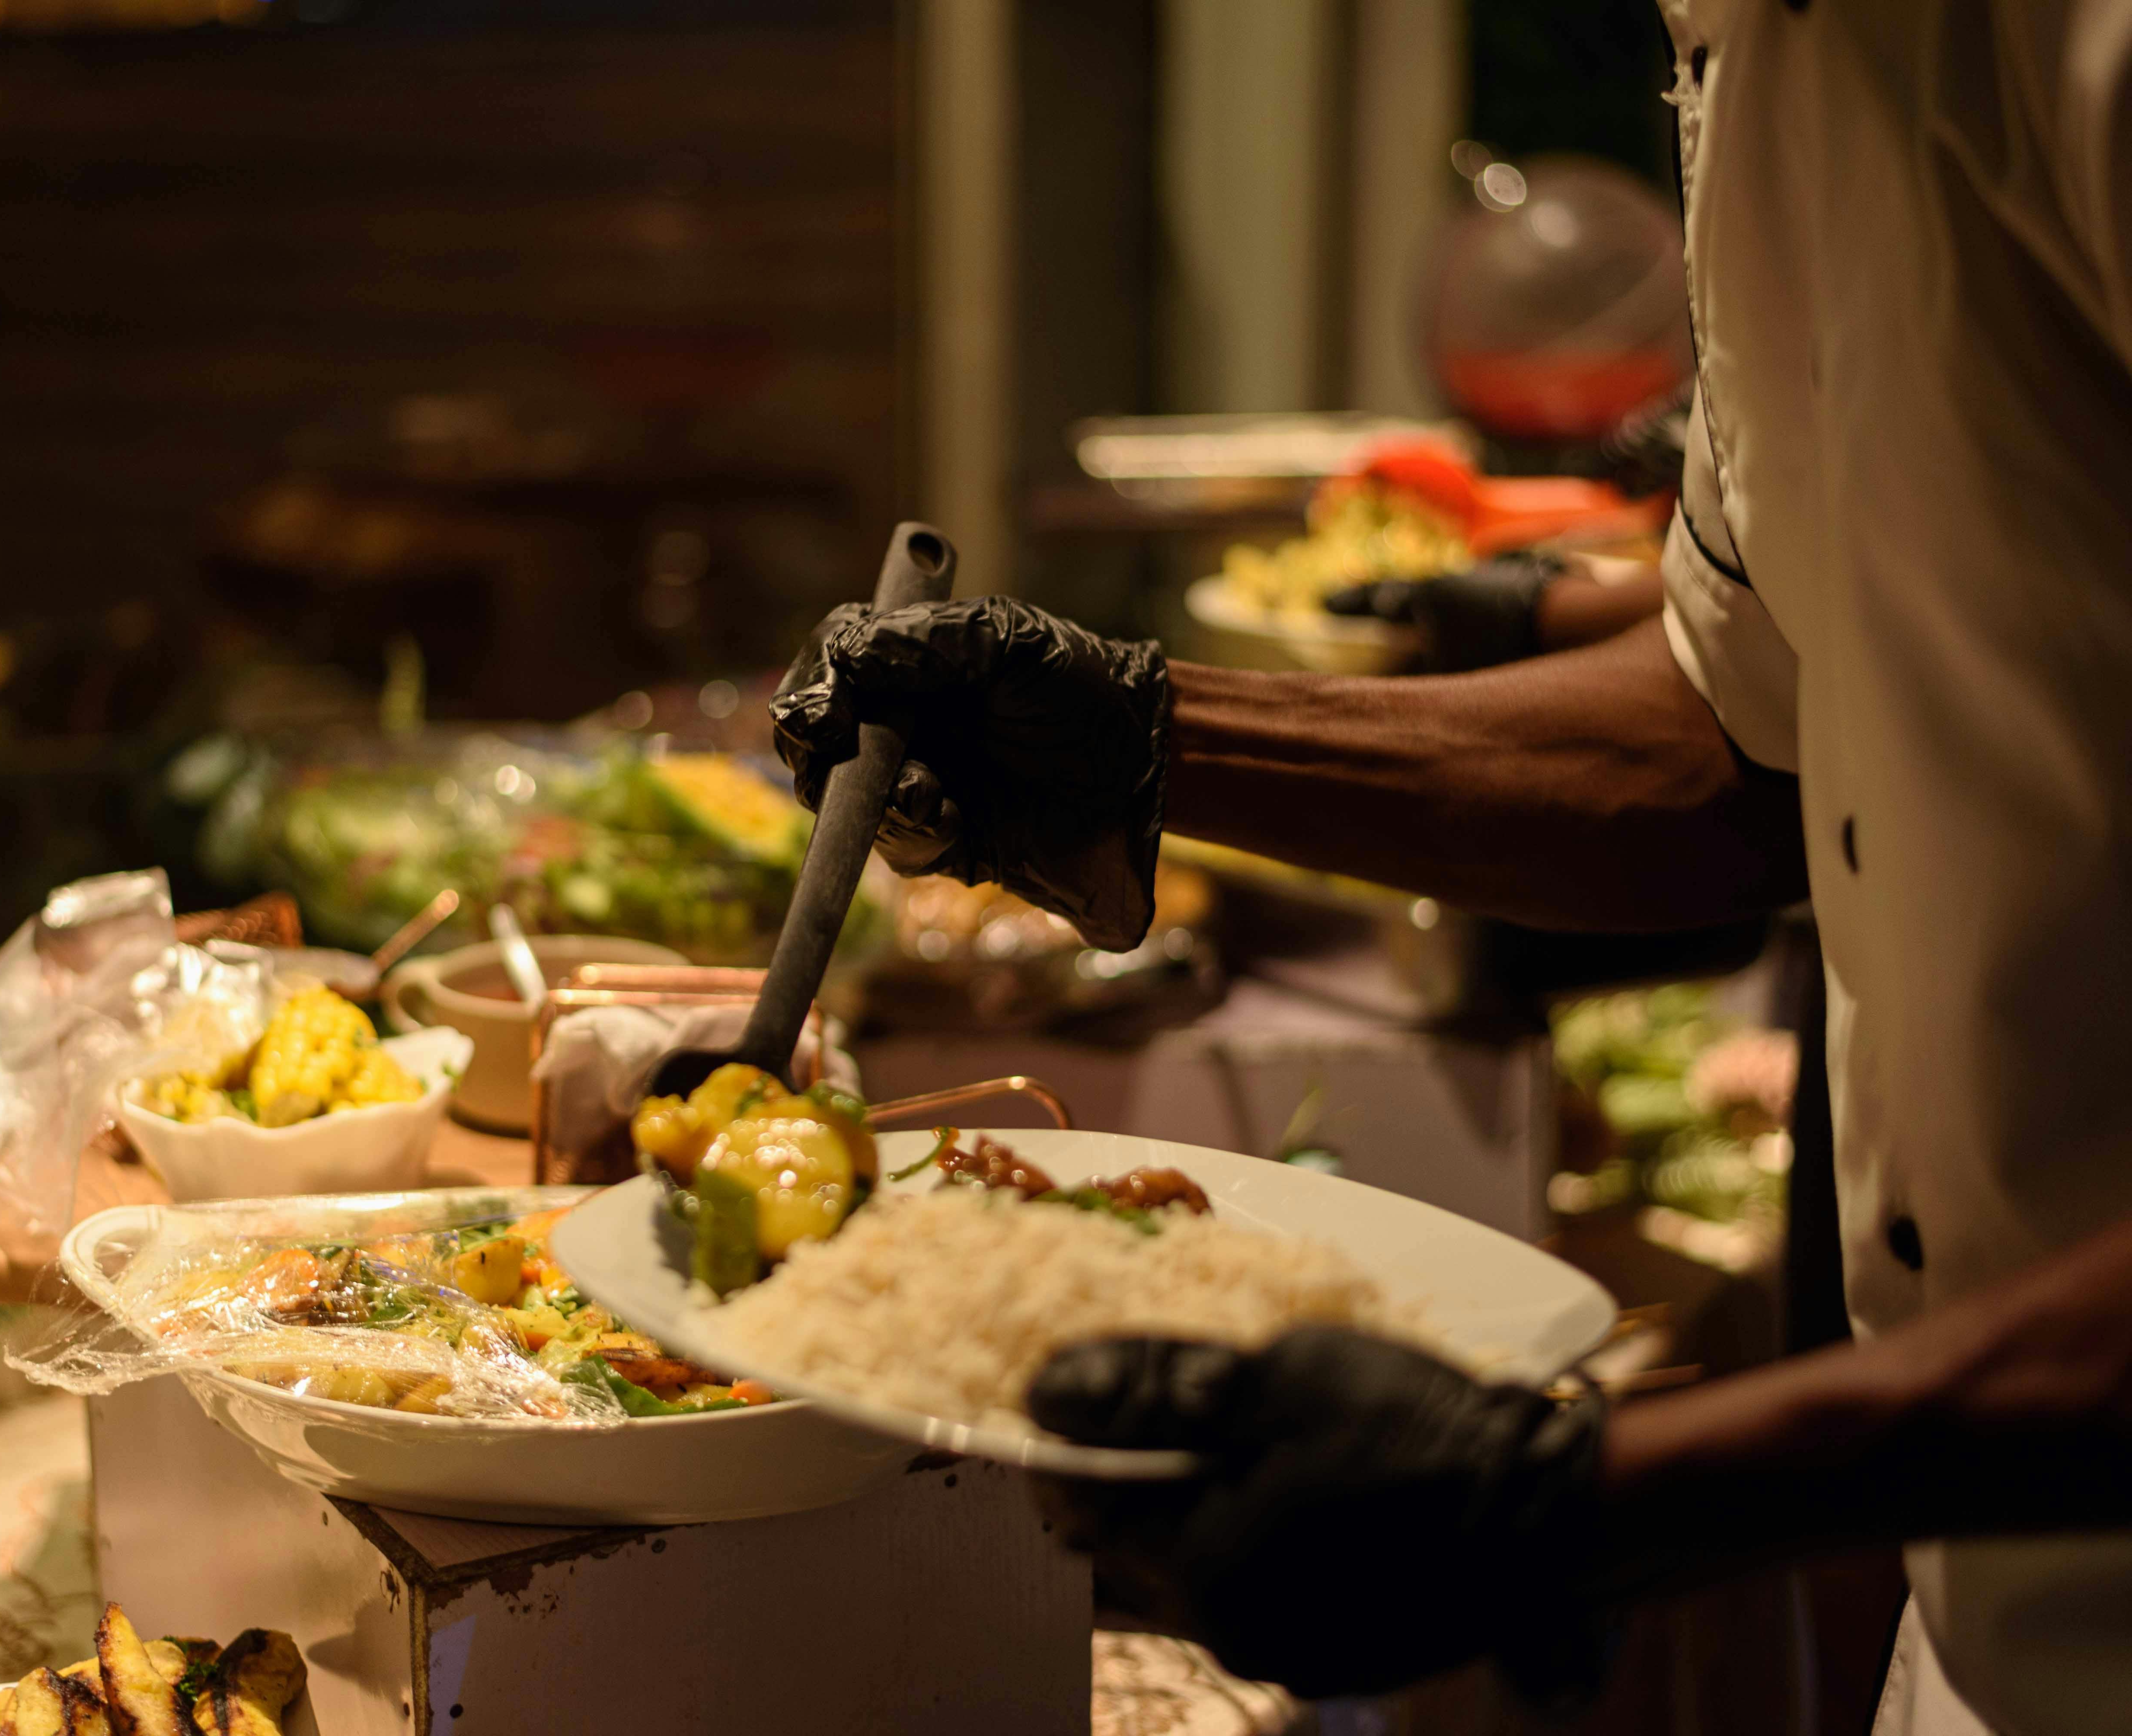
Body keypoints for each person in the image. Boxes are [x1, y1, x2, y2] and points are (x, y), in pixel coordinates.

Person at [769, 8, 2132, 1732]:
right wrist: (1144, 731)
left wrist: (1590, 1494)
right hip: (1989, 1642)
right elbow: (1737, 735)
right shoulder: (1763, 55)